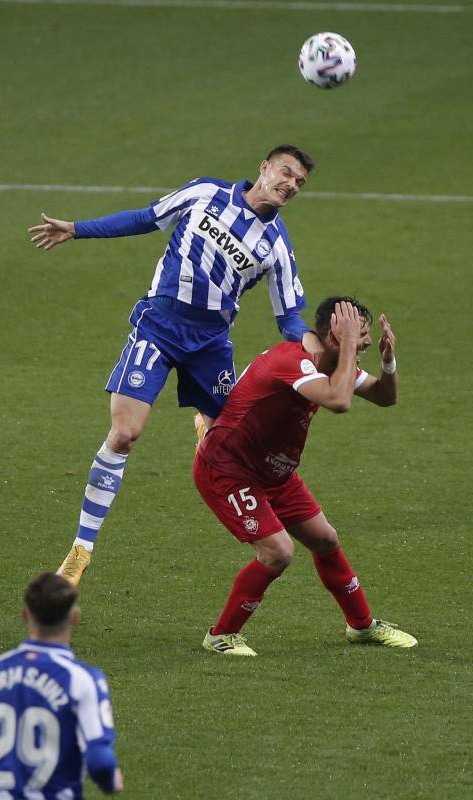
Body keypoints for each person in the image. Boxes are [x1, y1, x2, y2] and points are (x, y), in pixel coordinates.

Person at [28, 145, 320, 586]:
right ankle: (81, 550)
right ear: (263, 168)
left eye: (299, 182)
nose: (290, 185)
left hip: (210, 347)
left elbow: (289, 319)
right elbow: (147, 218)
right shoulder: (204, 193)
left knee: (241, 444)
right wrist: (77, 229)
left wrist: (322, 347)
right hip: (159, 327)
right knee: (124, 435)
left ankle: (277, 513)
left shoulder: (277, 246)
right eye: (286, 173)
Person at [193, 297, 417, 656]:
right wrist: (347, 348)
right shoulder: (291, 361)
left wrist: (388, 362)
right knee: (278, 552)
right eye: (358, 335)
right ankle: (220, 635)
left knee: (326, 540)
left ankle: (362, 627)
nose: (364, 343)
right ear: (333, 335)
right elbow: (339, 401)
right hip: (229, 470)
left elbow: (384, 397)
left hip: (274, 473)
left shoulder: (331, 362)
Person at [0, 573, 124, 797]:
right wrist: (110, 782)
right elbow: (100, 762)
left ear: (25, 615)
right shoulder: (82, 680)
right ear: (74, 616)